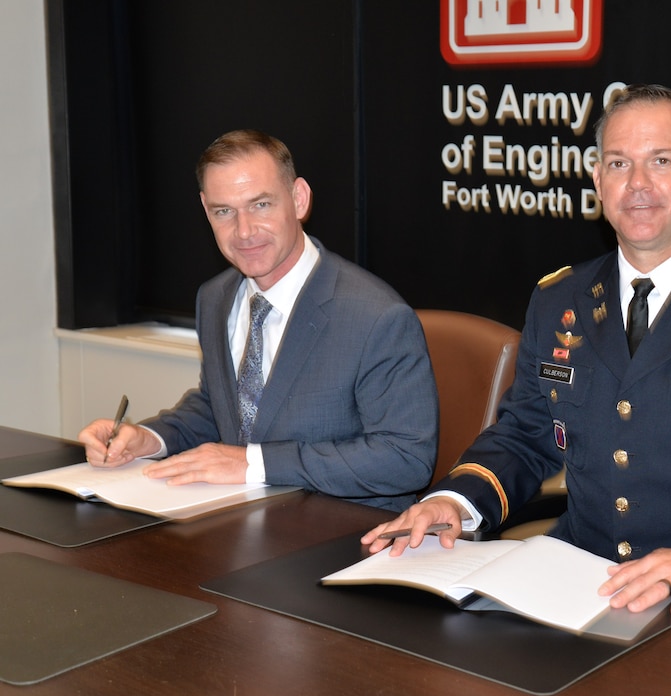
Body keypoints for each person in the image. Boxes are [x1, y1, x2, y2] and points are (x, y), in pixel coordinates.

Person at [363, 84, 671, 614]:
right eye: (619, 164)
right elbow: (526, 435)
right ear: (599, 181)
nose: (638, 185)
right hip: (577, 582)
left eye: (661, 161)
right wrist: (454, 503)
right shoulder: (560, 300)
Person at [78, 129, 438, 511]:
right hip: (240, 520)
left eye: (261, 205)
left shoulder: (376, 317)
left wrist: (253, 464)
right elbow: (222, 406)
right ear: (205, 211)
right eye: (224, 212)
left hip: (344, 534)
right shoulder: (215, 297)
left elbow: (406, 460)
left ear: (299, 199)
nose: (244, 231)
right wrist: (149, 438)